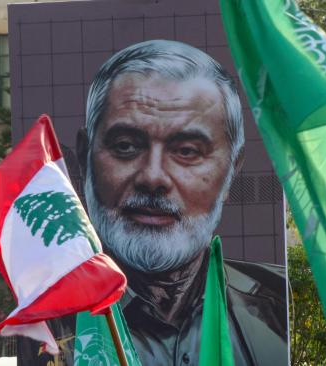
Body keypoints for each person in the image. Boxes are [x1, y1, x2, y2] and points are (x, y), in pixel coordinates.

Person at [75, 40, 288, 366]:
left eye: (187, 151)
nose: (153, 177)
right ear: (85, 156)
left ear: (232, 169)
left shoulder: (285, 303)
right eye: (126, 145)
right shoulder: (44, 320)